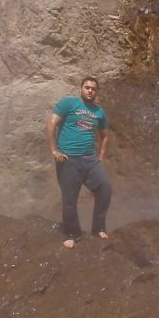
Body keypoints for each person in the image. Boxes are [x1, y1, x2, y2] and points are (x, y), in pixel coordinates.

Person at [46, 77, 112, 248]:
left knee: (105, 188)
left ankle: (98, 228)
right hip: (68, 158)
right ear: (81, 88)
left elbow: (105, 136)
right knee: (70, 198)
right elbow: (51, 124)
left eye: (93, 88)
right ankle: (72, 234)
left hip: (90, 159)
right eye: (87, 87)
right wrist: (54, 150)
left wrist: (101, 158)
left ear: (97, 92)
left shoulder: (99, 112)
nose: (90, 90)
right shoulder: (68, 104)